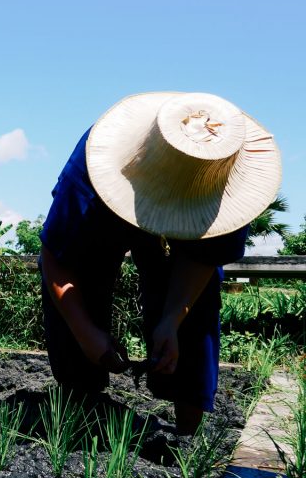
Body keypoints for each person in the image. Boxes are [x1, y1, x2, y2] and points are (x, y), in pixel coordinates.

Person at [40, 92, 281, 435]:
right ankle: (82, 403)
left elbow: (203, 260)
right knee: (84, 283)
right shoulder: (89, 176)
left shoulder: (222, 175)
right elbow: (57, 258)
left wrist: (171, 319)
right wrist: (87, 335)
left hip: (201, 201)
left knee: (195, 311)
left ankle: (187, 434)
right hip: (114, 204)